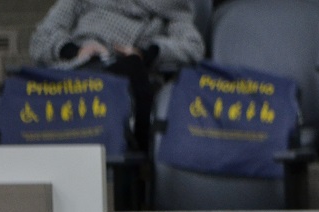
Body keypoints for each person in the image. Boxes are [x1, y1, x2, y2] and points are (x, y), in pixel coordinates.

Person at [29, 0, 205, 145]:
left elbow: (193, 46)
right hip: (81, 70)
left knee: (130, 68)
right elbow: (41, 37)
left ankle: (134, 156)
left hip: (130, 75)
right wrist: (75, 51)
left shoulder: (170, 6)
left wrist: (146, 53)